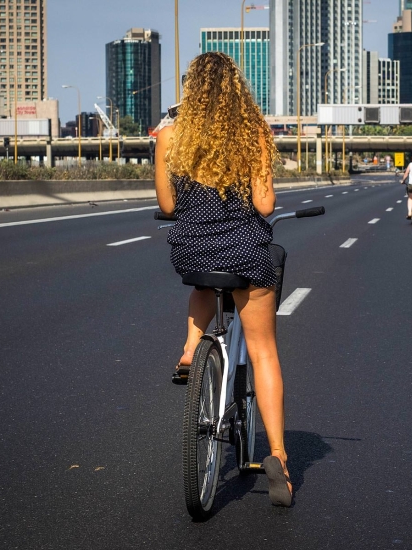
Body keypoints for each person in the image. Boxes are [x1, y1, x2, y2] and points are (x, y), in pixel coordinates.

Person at [153, 52, 292, 507]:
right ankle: (277, 457)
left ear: (191, 89)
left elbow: (170, 208)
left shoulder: (170, 136)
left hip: (192, 251)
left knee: (202, 284)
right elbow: (266, 206)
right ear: (237, 90)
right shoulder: (252, 135)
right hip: (244, 252)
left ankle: (192, 349)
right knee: (264, 351)